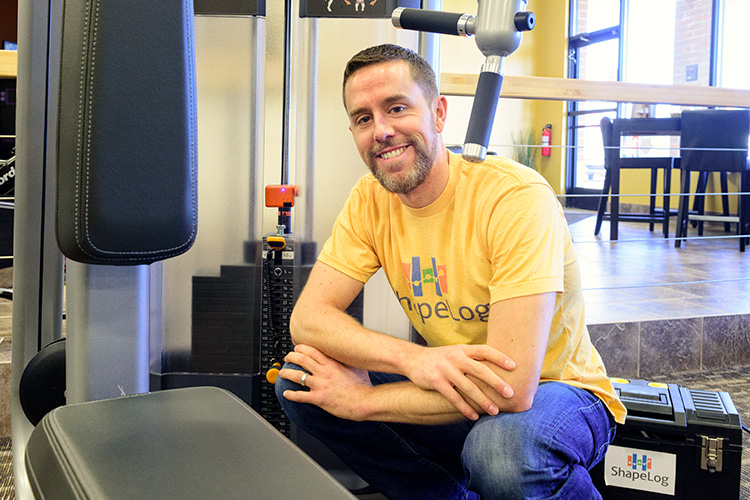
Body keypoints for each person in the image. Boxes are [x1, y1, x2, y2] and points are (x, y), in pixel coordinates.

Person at [275, 43, 626, 500]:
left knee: (500, 448)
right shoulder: (369, 199)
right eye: (363, 119)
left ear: (438, 113)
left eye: (396, 108)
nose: (381, 131)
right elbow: (308, 320)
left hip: (558, 392)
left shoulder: (512, 197)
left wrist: (363, 401)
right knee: (302, 380)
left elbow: (512, 389)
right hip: (460, 385)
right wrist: (415, 360)